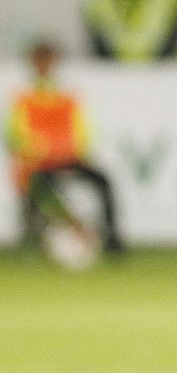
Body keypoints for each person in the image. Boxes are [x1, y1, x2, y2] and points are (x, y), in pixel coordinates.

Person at [7, 41, 124, 257]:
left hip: (69, 158)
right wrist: (41, 151)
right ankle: (49, 235)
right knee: (39, 186)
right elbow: (17, 135)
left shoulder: (68, 97)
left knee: (103, 181)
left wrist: (74, 152)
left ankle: (112, 239)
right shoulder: (24, 98)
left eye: (48, 61)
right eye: (40, 61)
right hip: (38, 163)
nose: (44, 66)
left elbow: (83, 131)